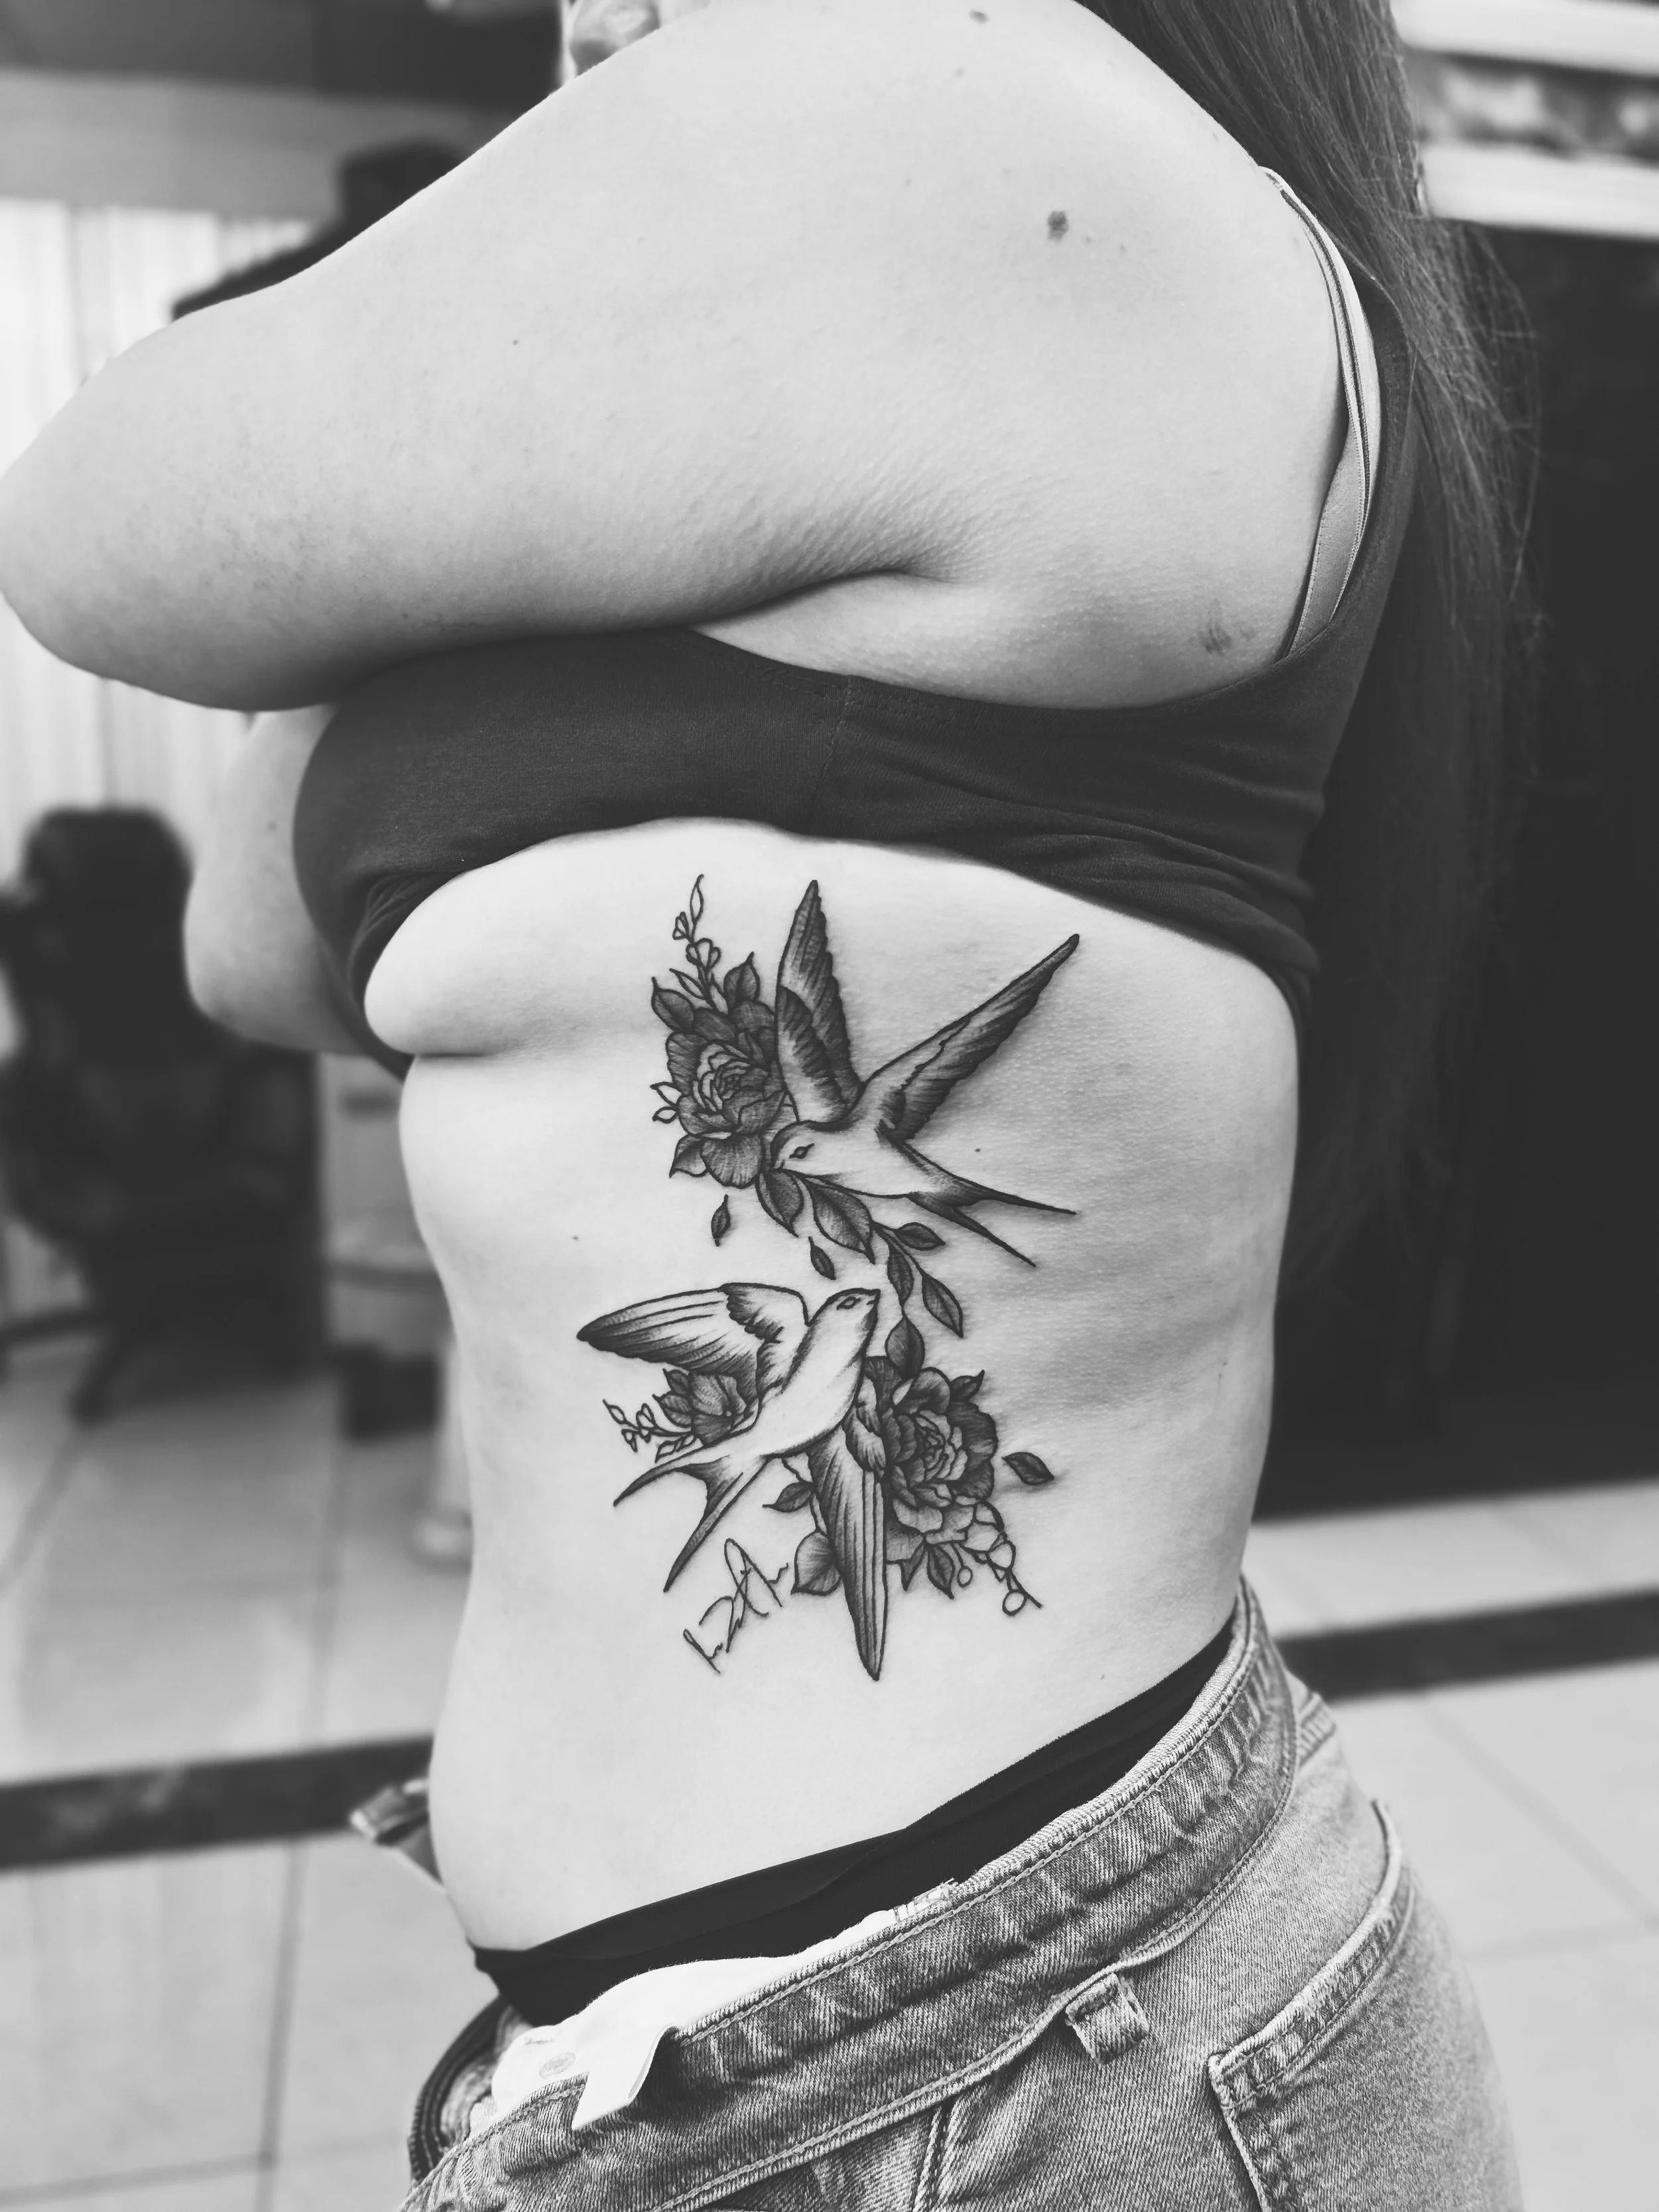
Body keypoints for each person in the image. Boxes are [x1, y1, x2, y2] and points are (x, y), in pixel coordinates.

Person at [0, 0, 1532, 2203]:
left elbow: (85, 525)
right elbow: (244, 931)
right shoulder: (996, 181)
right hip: (914, 2055)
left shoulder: (973, 118)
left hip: (988, 2076)